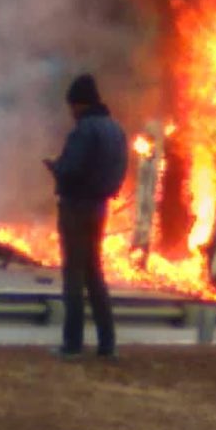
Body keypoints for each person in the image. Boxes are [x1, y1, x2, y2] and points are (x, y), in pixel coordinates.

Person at [44, 73, 128, 360]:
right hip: (100, 208)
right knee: (94, 275)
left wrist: (56, 168)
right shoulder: (116, 130)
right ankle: (107, 344)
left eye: (72, 107)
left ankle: (72, 344)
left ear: (79, 104)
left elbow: (72, 168)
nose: (71, 113)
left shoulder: (84, 130)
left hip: (77, 208)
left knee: (74, 275)